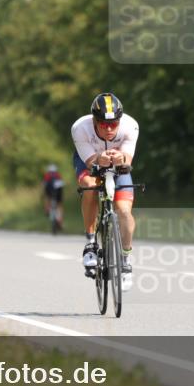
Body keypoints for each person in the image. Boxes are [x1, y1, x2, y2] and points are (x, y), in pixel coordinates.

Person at [71, 92, 139, 291]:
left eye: (113, 124)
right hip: (90, 159)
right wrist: (99, 158)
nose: (109, 129)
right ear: (94, 120)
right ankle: (91, 243)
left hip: (118, 165)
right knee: (90, 185)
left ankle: (125, 262)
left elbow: (128, 159)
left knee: (124, 211)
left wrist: (121, 159)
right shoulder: (80, 128)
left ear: (120, 121)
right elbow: (90, 162)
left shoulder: (130, 126)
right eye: (103, 124)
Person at [42, 164, 65, 231]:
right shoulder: (58, 175)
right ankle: (60, 222)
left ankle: (47, 210)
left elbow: (44, 186)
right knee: (59, 205)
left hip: (49, 191)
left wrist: (42, 195)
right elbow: (62, 187)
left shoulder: (47, 175)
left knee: (47, 199)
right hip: (58, 192)